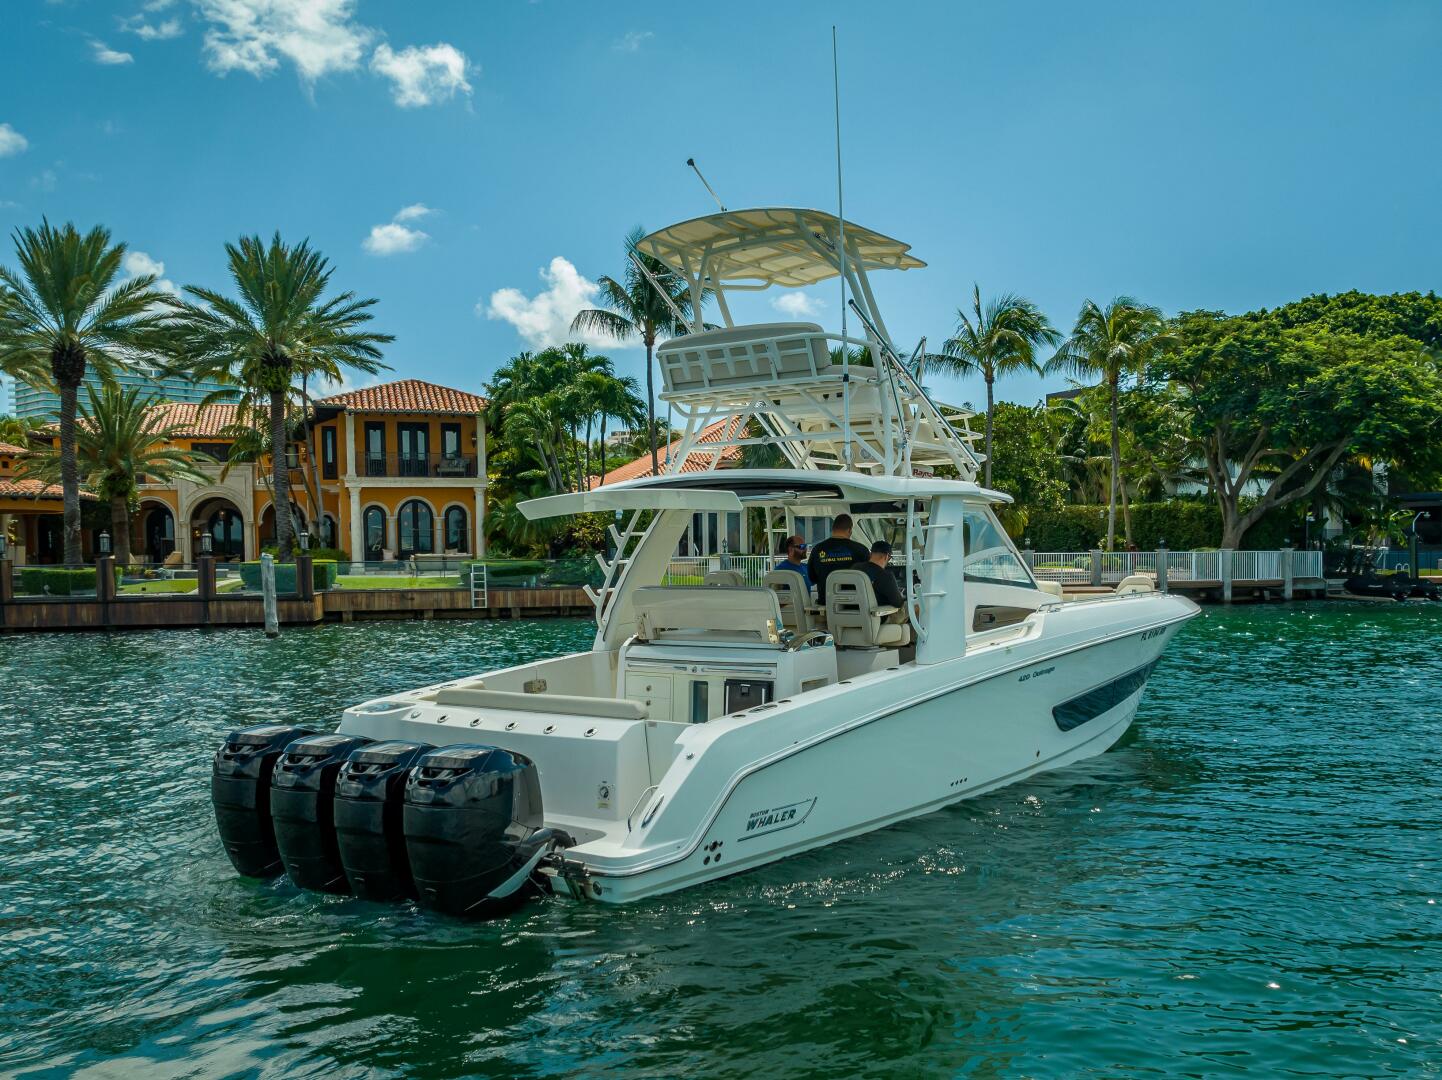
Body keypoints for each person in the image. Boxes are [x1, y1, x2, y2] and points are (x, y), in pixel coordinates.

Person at [808, 513, 870, 602]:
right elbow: (867, 579)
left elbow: (812, 578)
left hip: (826, 603)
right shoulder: (861, 550)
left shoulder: (817, 549)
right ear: (850, 530)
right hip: (854, 603)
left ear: (833, 529)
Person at [857, 539, 906, 612]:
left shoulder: (854, 568)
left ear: (871, 554)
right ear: (886, 556)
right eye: (890, 558)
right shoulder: (885, 575)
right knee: (917, 605)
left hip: (853, 612)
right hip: (877, 614)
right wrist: (901, 595)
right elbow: (898, 603)